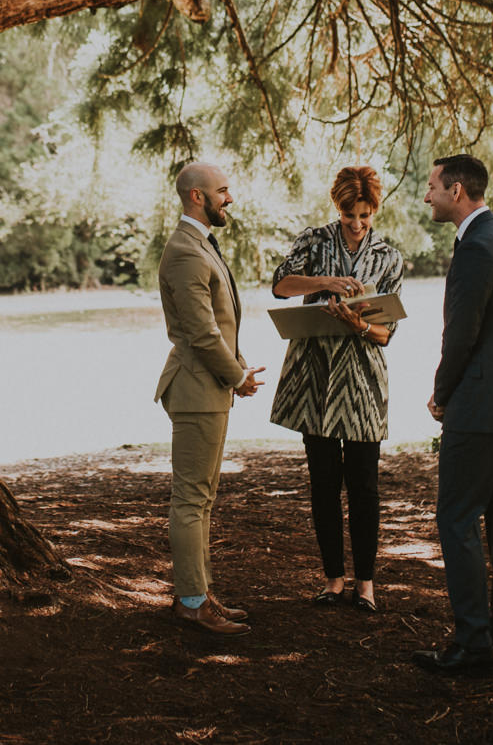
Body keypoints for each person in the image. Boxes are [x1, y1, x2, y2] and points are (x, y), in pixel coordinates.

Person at [412, 153, 493, 679]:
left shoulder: (474, 249)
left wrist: (442, 394)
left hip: (482, 409)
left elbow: (460, 336)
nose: (427, 196)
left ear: (458, 191)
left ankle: (473, 645)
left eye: (433, 186)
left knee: (458, 520)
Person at [268, 165, 405, 613]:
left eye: (366, 215)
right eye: (351, 215)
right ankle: (333, 580)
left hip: (362, 383)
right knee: (323, 484)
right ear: (338, 207)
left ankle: (365, 585)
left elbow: (386, 334)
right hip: (315, 379)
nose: (359, 223)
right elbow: (281, 285)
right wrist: (326, 282)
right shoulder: (314, 240)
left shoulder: (390, 257)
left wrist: (358, 323)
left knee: (364, 486)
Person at [154, 161, 265, 635]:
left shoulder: (199, 245)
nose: (230, 198)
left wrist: (235, 370)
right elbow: (201, 334)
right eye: (223, 191)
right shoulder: (184, 251)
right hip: (198, 388)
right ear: (197, 196)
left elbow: (218, 323)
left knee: (202, 500)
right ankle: (192, 602)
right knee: (191, 499)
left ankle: (200, 593)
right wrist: (237, 375)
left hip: (209, 389)